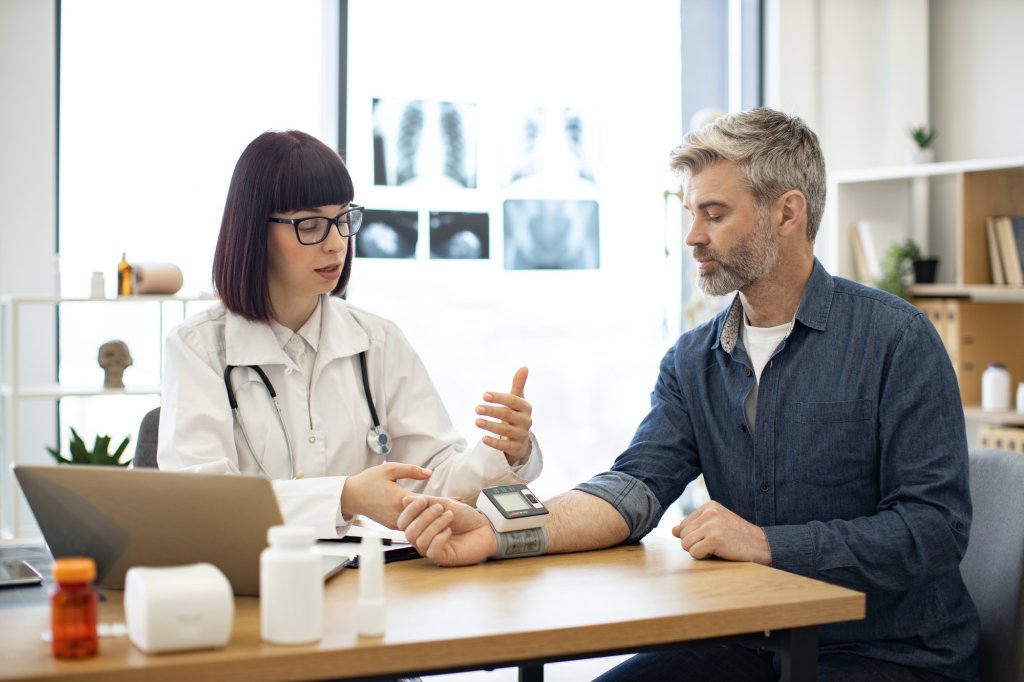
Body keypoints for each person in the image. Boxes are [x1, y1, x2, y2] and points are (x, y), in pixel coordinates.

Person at [397, 108, 980, 682]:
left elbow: (934, 528)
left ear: (787, 212)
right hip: (754, 643)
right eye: (691, 214)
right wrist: (500, 532)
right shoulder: (693, 359)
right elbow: (634, 488)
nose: (693, 237)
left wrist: (766, 544)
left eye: (715, 214)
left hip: (890, 653)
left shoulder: (897, 340)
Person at [157, 130, 541, 538]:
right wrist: (345, 497)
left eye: (343, 219)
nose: (336, 244)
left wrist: (506, 451)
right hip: (253, 585)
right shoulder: (198, 348)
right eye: (311, 225)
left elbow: (431, 476)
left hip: (365, 579)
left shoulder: (378, 341)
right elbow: (203, 502)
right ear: (255, 230)